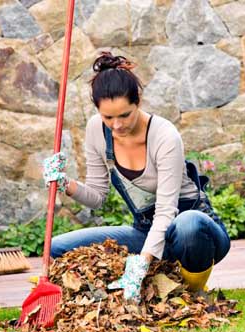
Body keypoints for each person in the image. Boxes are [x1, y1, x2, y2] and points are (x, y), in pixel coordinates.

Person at [43, 52, 230, 304]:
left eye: (124, 115)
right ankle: (136, 288)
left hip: (194, 235)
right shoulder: (96, 131)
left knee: (189, 225)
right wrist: (64, 184)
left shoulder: (164, 136)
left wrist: (141, 263)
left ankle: (192, 294)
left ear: (138, 101)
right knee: (56, 247)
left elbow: (166, 212)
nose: (117, 125)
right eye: (108, 117)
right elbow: (97, 197)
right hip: (146, 232)